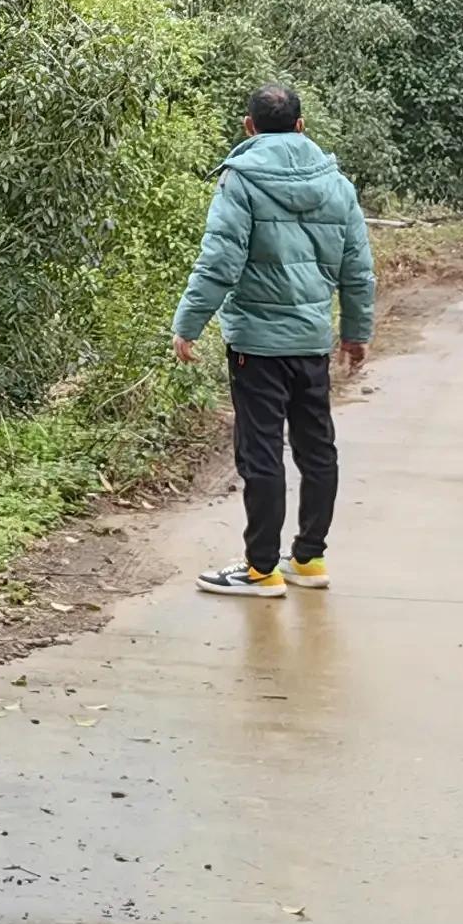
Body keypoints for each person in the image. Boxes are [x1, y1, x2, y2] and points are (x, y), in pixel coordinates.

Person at [168, 82, 375, 600]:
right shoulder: (337, 184)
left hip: (257, 346)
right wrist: (355, 332)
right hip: (310, 342)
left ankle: (262, 568)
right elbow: (357, 268)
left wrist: (188, 323)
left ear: (249, 126)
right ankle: (309, 558)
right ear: (302, 126)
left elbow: (220, 260)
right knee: (316, 447)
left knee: (260, 452)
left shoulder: (242, 181)